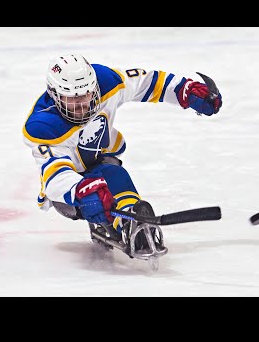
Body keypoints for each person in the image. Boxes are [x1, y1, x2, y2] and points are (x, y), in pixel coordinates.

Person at [22, 54, 222, 256]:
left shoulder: (106, 82)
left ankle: (131, 219)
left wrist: (183, 90)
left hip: (100, 160)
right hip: (69, 192)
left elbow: (147, 82)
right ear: (55, 95)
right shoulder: (43, 125)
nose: (82, 104)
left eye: (86, 95)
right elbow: (54, 176)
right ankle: (114, 221)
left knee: (114, 173)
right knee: (95, 198)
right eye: (73, 99)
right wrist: (81, 190)